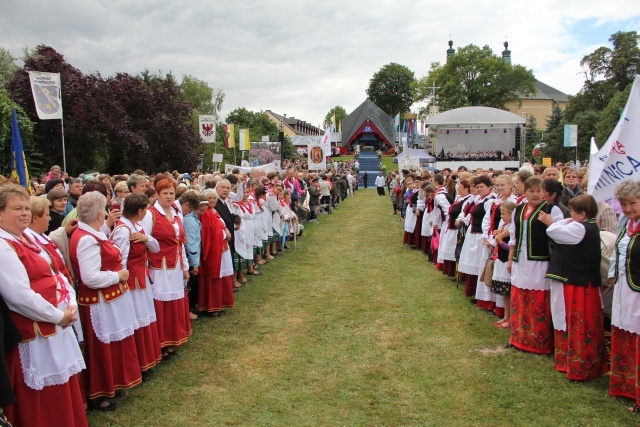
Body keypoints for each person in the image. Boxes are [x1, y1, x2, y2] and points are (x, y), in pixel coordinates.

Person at [0, 184, 87, 426]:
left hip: (54, 324)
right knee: (43, 397)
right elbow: (19, 296)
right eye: (17, 208)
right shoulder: (3, 246)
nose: (25, 213)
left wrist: (70, 303)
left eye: (27, 208)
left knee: (62, 388)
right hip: (36, 331)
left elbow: (55, 273)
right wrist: (58, 316)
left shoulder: (24, 237)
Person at [543, 195, 605, 381]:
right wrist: (568, 220)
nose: (569, 213)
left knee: (575, 321)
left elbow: (553, 230)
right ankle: (574, 361)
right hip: (579, 279)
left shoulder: (579, 228)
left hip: (577, 281)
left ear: (583, 214)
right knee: (572, 320)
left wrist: (563, 221)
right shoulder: (587, 226)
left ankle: (578, 364)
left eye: (573, 211)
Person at [507, 176, 564, 353]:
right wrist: (511, 257)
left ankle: (537, 341)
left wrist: (551, 223)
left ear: (544, 192)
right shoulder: (519, 209)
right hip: (520, 261)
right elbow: (514, 236)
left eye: (539, 191)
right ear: (525, 192)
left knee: (538, 301)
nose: (535, 194)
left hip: (540, 262)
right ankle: (518, 338)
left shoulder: (551, 210)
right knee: (519, 298)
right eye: (531, 191)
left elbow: (561, 234)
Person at [110, 193, 163, 378]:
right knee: (137, 319)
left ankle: (146, 359)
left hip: (141, 279)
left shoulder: (137, 226)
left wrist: (145, 239)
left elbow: (156, 247)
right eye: (145, 209)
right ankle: (139, 363)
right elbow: (120, 259)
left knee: (145, 317)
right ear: (139, 211)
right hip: (132, 283)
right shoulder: (123, 230)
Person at [147, 177, 192, 356]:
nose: (168, 196)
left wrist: (185, 266)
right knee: (161, 303)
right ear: (157, 194)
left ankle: (170, 339)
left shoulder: (176, 213)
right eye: (164, 193)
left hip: (175, 265)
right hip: (159, 267)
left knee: (173, 302)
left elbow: (180, 243)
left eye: (171, 193)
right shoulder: (151, 214)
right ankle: (159, 343)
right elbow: (146, 240)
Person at [608, 179, 640, 412]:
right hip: (624, 288)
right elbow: (619, 250)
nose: (628, 208)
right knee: (626, 333)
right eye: (624, 204)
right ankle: (626, 386)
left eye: (632, 203)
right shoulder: (625, 222)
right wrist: (613, 273)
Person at [199, 189, 235, 315]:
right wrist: (224, 234)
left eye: (214, 198)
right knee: (214, 277)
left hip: (222, 248)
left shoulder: (214, 211)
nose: (212, 200)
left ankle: (221, 302)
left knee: (222, 276)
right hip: (214, 250)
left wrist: (226, 232)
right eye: (209, 198)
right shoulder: (206, 214)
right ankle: (212, 306)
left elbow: (221, 226)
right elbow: (208, 234)